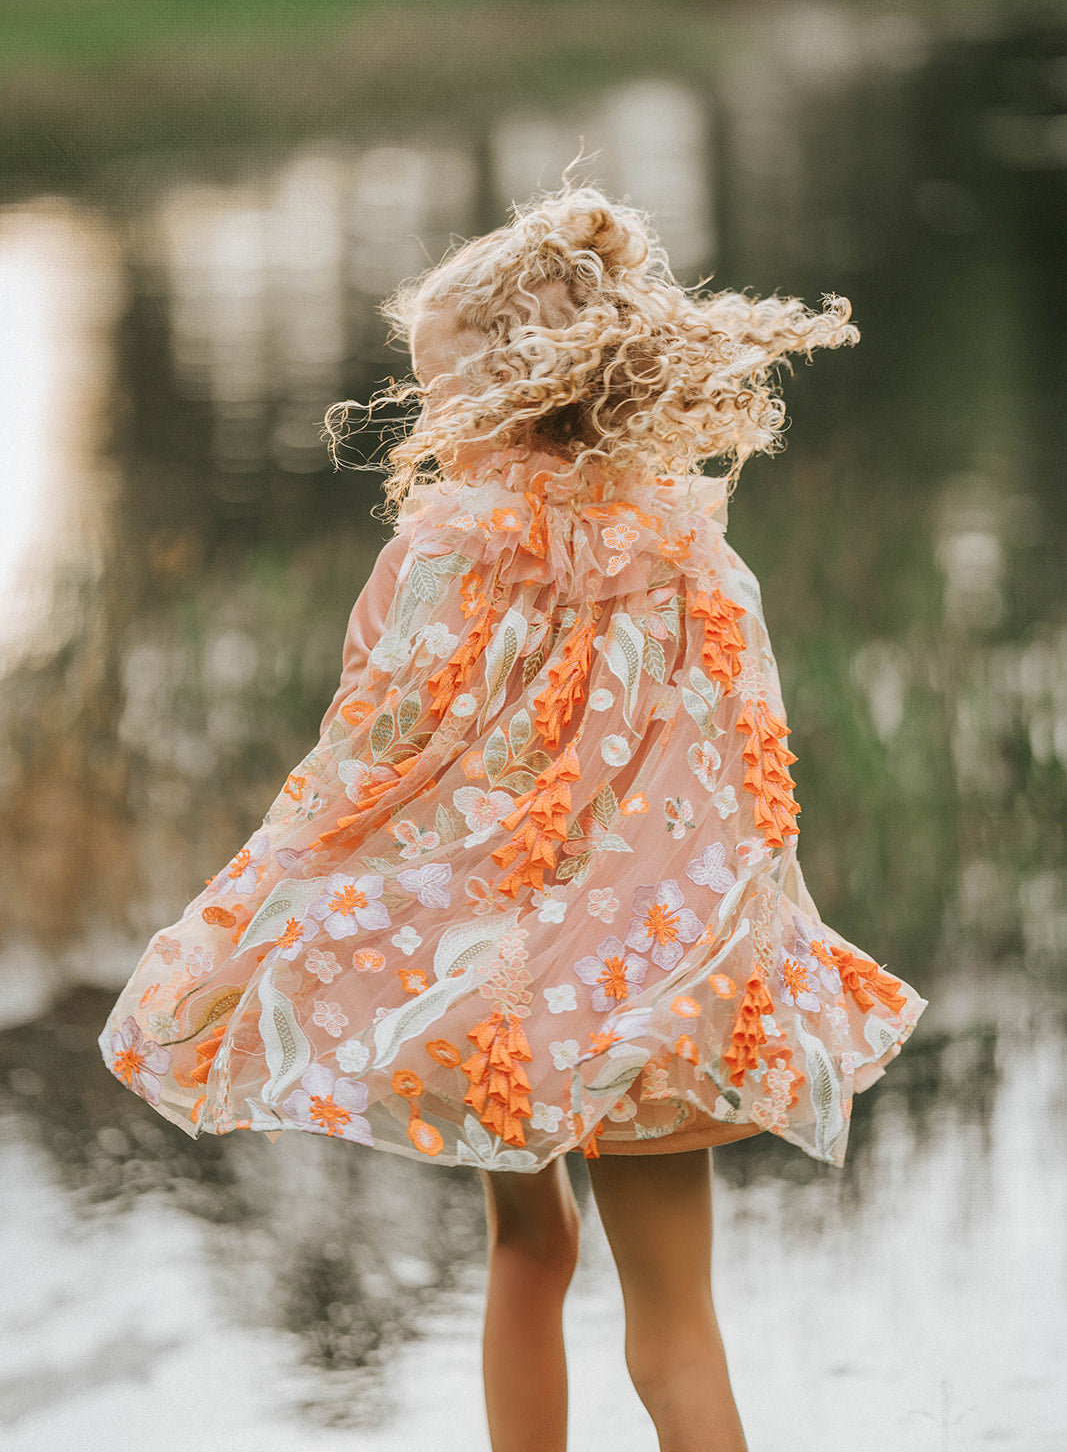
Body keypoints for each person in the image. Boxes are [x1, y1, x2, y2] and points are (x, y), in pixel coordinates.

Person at [100, 184, 927, 1452]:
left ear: (505, 393)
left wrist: (299, 902)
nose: (428, 417)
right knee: (678, 1326)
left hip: (493, 989)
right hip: (660, 982)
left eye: (438, 389)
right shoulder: (695, 551)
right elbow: (749, 777)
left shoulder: (438, 553)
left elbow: (370, 752)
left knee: (527, 1247)